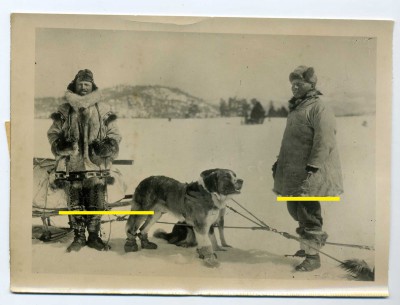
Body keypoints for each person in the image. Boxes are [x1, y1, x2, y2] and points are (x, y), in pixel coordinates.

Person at [272, 66, 343, 271]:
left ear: (311, 85)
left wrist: (313, 165)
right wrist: (280, 162)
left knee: (308, 212)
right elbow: (292, 142)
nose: (294, 88)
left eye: (299, 84)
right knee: (294, 209)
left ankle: (313, 258)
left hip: (311, 172)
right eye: (292, 84)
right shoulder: (297, 108)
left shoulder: (319, 108)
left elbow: (325, 140)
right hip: (294, 171)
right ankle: (306, 246)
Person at [47, 69, 122, 252]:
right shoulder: (64, 110)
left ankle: (94, 237)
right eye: (80, 84)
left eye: (87, 84)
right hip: (71, 165)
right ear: (75, 84)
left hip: (96, 164)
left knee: (96, 200)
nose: (83, 88)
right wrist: (61, 145)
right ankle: (79, 236)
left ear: (92, 86)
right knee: (75, 201)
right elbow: (53, 133)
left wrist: (107, 146)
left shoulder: (103, 109)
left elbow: (115, 134)